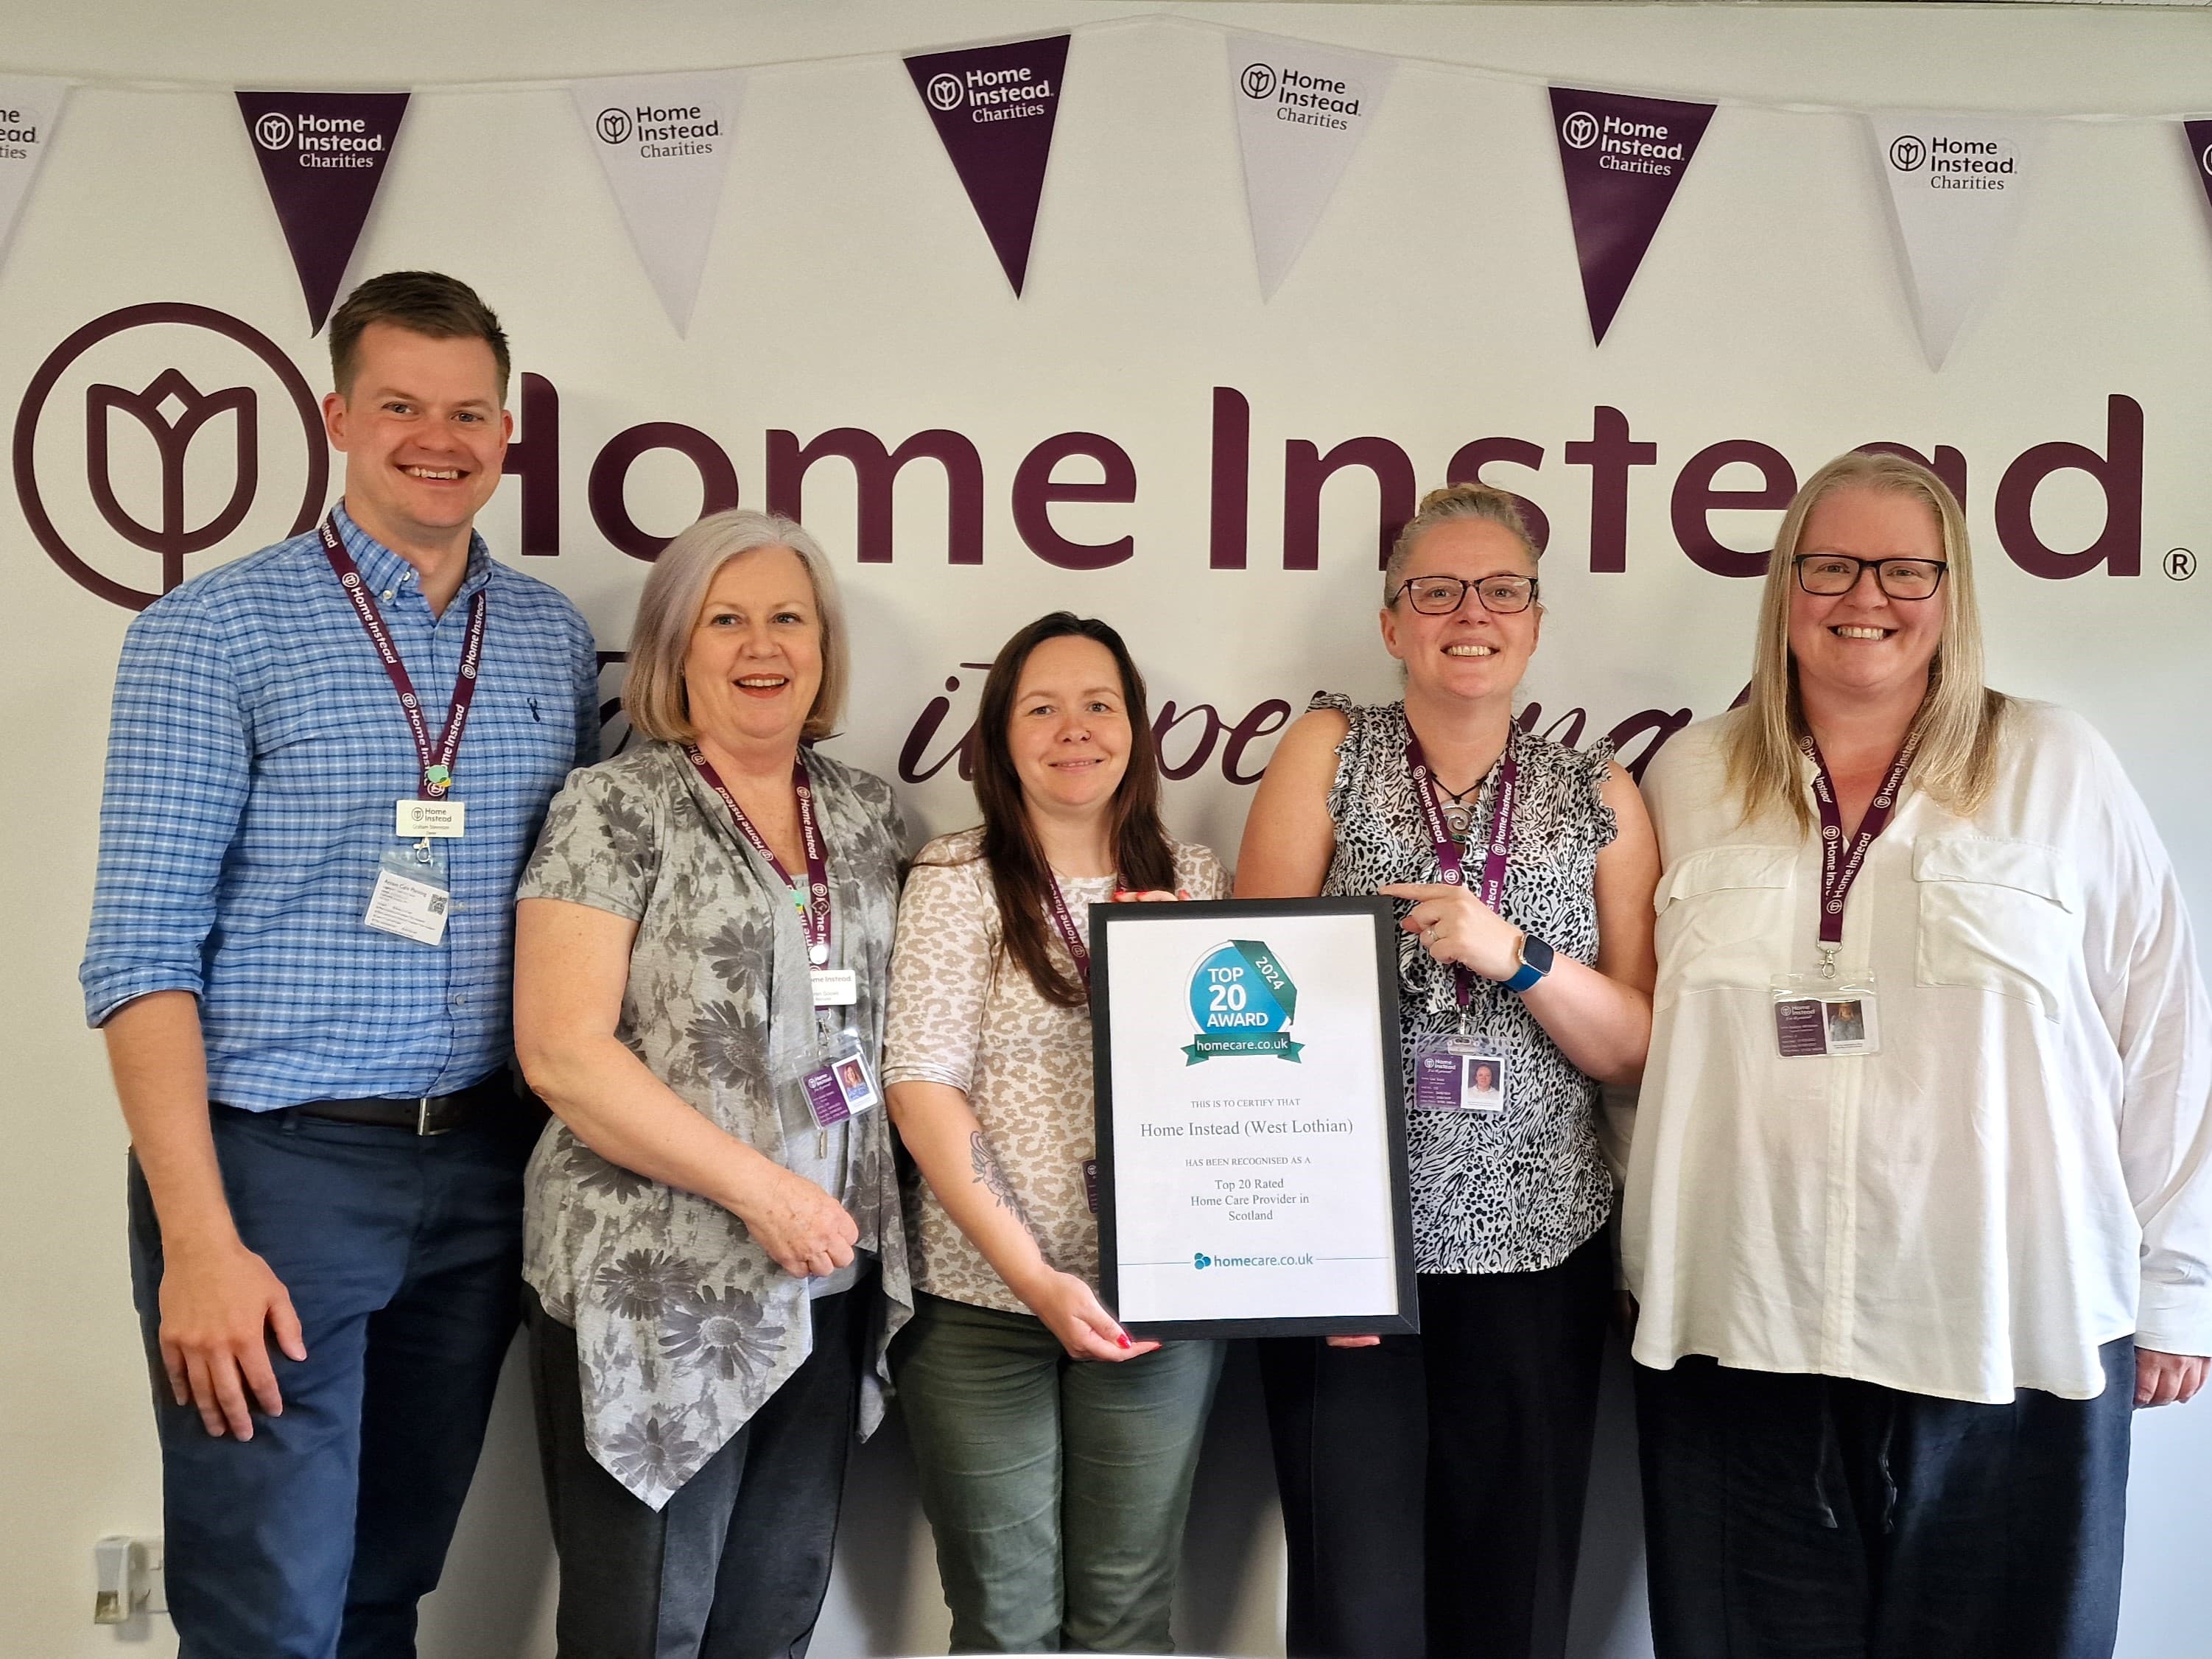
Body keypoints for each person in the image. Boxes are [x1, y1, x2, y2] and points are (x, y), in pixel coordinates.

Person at [80, 271, 600, 1656]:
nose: (439, 438)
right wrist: (200, 1242)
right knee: (269, 1611)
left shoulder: (547, 638)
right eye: (401, 407)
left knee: (387, 1583)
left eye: (469, 411)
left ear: (506, 430)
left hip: (485, 1165)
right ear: (338, 418)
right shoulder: (212, 633)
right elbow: (140, 957)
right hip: (277, 1173)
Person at [1622, 450, 2212, 1659]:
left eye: (1904, 569)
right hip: (1744, 1324)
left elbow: (2166, 1031)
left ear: (1954, 594)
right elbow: (1639, 1042)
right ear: (1785, 584)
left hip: (2008, 1324)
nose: (1865, 597)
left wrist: (2179, 1286)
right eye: (1829, 564)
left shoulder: (2057, 767)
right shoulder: (1688, 778)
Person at [1235, 483, 1660, 1659]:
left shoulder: (1601, 792)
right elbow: (1250, 994)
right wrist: (1316, 1249)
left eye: (1501, 591)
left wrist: (1512, 956)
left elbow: (1634, 1045)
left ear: (1534, 621)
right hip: (1349, 1255)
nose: (1469, 613)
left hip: (1539, 1249)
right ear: (1391, 622)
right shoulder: (1329, 748)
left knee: (1511, 1603)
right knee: (1352, 1604)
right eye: (1436, 590)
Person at [510, 509, 911, 1658]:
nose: (761, 646)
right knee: (648, 1628)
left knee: (771, 1623)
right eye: (725, 620)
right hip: (654, 1292)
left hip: (823, 1284)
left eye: (788, 618)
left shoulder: (866, 813)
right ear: (673, 651)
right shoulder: (615, 808)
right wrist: (763, 1191)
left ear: (823, 649)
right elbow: (563, 1052)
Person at [883, 612, 1229, 1652]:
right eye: (1041, 707)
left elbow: (1249, 1095)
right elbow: (921, 1089)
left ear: (1136, 730)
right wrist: (1037, 1279)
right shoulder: (956, 876)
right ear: (996, 737)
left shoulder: (1196, 878)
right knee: (1004, 1620)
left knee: (1128, 1614)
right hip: (985, 1304)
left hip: (1158, 1298)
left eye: (1098, 705)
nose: (1072, 730)